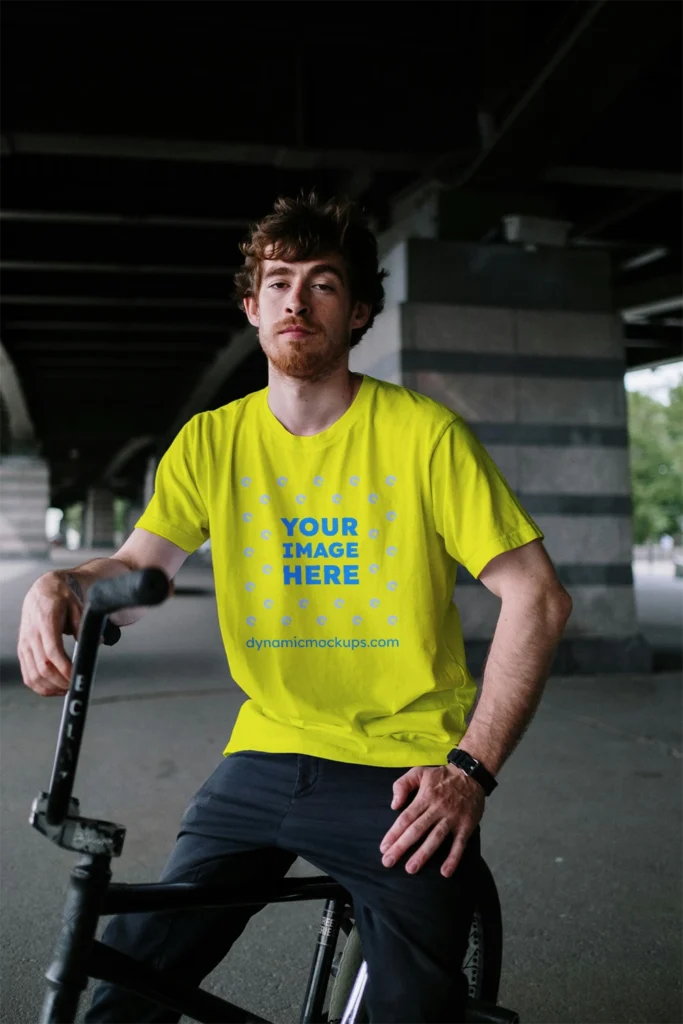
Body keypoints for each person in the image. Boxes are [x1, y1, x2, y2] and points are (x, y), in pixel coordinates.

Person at [19, 193, 572, 1024]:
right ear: (251, 306)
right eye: (278, 282)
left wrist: (468, 772)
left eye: (322, 284)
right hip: (266, 750)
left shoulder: (422, 435)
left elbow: (537, 595)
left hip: (404, 767)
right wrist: (59, 585)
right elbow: (140, 573)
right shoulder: (211, 441)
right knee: (126, 978)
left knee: (410, 1009)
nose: (295, 299)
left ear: (357, 313)